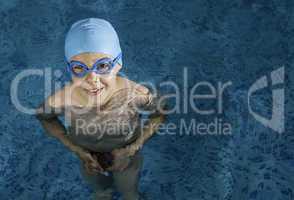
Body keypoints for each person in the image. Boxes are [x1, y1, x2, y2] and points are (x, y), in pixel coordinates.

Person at [35, 18, 166, 200]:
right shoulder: (62, 99)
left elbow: (160, 113)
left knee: (130, 195)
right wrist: (76, 150)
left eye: (103, 66)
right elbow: (44, 117)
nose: (92, 78)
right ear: (69, 68)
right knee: (101, 193)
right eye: (80, 68)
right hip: (88, 158)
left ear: (118, 63)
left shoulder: (134, 93)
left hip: (125, 156)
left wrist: (132, 148)